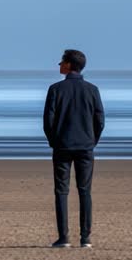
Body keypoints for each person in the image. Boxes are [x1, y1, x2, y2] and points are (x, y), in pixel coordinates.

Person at [43, 49, 105, 248]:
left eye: (61, 62)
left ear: (69, 65)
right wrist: (91, 141)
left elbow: (48, 121)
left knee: (61, 191)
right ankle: (85, 238)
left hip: (62, 146)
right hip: (85, 146)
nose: (59, 65)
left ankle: (64, 237)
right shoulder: (92, 90)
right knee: (84, 191)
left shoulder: (55, 89)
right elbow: (100, 120)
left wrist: (54, 140)